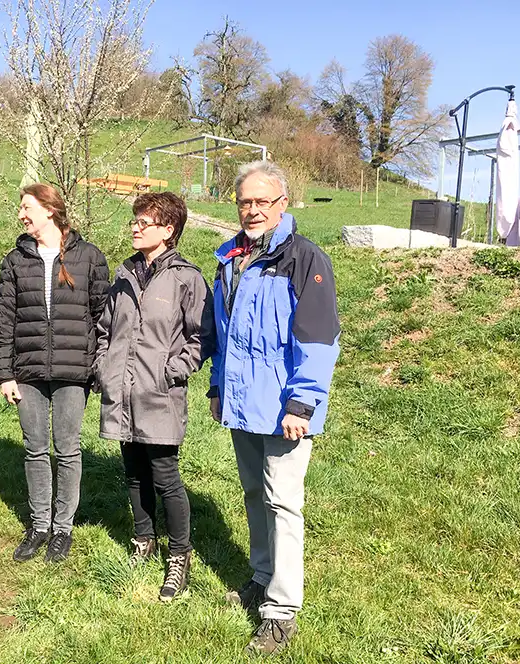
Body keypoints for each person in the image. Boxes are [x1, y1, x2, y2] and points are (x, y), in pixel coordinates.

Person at [208, 161, 340, 654]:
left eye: (263, 201)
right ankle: (262, 577)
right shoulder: (230, 259)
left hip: (285, 408)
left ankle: (281, 610)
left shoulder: (305, 260)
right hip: (243, 404)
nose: (253, 209)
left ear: (283, 204)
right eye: (245, 201)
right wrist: (218, 387)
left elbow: (319, 339)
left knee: (283, 502)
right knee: (252, 495)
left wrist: (302, 405)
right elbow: (226, 338)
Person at [94, 192, 213, 602]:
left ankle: (180, 554)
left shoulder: (187, 278)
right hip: (122, 392)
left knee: (165, 476)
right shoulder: (124, 276)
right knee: (133, 471)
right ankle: (143, 540)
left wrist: (173, 371)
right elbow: (105, 329)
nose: (135, 227)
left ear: (168, 230)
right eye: (135, 221)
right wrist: (103, 367)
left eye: (145, 222)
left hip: (159, 393)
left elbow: (202, 337)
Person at [0, 183, 109, 563]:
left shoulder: (89, 257)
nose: (22, 215)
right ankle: (39, 525)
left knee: (68, 449)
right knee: (34, 448)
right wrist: (4, 373)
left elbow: (102, 317)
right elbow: (4, 320)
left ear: (50, 209)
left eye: (27, 207)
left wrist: (95, 365)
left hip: (73, 370)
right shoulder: (15, 260)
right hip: (27, 370)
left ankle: (63, 528)